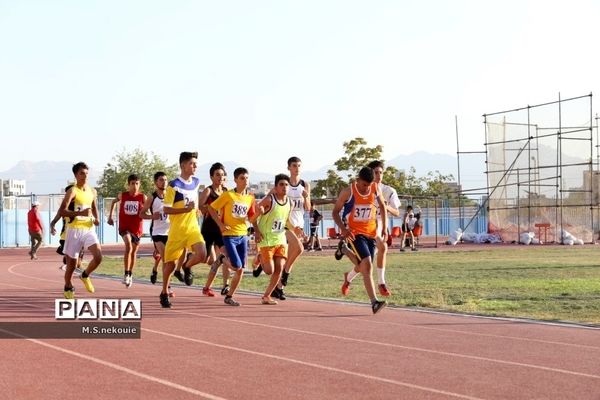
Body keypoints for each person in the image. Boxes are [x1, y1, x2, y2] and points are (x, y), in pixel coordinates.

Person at [332, 166, 387, 314]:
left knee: (362, 266)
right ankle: (374, 302)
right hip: (354, 233)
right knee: (367, 265)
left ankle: (343, 250)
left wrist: (384, 228)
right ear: (357, 181)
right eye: (363, 185)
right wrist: (343, 230)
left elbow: (382, 206)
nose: (365, 188)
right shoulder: (348, 192)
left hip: (371, 233)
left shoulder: (375, 188)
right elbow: (335, 212)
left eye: (368, 185)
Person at [159, 151, 207, 308]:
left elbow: (194, 202)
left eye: (196, 164)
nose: (195, 166)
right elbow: (166, 210)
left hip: (192, 228)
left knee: (202, 254)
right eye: (192, 164)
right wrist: (186, 210)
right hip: (177, 231)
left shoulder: (196, 182)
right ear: (183, 165)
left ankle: (186, 266)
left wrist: (196, 210)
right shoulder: (174, 186)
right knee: (170, 265)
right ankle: (164, 292)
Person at [208, 167, 255, 306]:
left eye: (247, 178)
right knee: (236, 266)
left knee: (241, 269)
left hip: (243, 235)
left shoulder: (250, 197)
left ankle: (229, 296)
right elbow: (211, 208)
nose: (245, 181)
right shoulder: (228, 195)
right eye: (242, 178)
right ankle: (222, 258)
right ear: (235, 180)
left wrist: (258, 223)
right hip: (229, 235)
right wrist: (221, 225)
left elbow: (252, 218)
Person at [251, 174, 299, 305]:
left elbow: (286, 222)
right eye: (281, 185)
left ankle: (266, 296)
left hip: (280, 239)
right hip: (266, 239)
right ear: (276, 187)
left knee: (279, 268)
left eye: (286, 185)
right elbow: (253, 218)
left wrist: (296, 229)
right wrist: (256, 231)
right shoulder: (269, 200)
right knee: (269, 270)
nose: (284, 187)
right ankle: (259, 258)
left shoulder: (290, 202)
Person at [58, 162, 103, 299]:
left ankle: (85, 275)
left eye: (86, 173)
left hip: (88, 228)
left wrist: (97, 218)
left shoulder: (91, 191)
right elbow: (62, 211)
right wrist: (80, 214)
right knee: (71, 265)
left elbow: (94, 207)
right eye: (82, 173)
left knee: (98, 257)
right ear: (76, 175)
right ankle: (68, 285)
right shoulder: (72, 191)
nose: (85, 176)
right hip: (74, 230)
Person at [272, 156, 309, 300]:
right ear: (289, 167)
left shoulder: (304, 185)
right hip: (286, 224)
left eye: (299, 165)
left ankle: (279, 287)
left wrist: (306, 197)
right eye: (294, 165)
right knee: (299, 248)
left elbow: (308, 208)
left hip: (298, 224)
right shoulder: (284, 184)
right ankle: (284, 276)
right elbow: (274, 198)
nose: (297, 168)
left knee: (290, 256)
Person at [367, 160, 401, 296]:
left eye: (380, 172)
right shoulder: (364, 189)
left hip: (379, 225)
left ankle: (380, 282)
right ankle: (380, 283)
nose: (378, 175)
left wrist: (385, 206)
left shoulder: (389, 191)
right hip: (366, 226)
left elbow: (397, 212)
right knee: (366, 262)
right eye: (375, 172)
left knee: (367, 261)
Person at [107, 174, 147, 288]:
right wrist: (110, 216)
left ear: (139, 185)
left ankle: (130, 274)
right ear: (128, 184)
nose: (135, 186)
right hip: (125, 227)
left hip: (137, 228)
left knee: (133, 252)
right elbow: (113, 202)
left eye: (137, 184)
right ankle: (125, 273)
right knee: (128, 246)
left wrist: (149, 214)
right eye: (132, 184)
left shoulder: (142, 197)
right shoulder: (123, 195)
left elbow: (148, 209)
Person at [199, 162, 232, 297]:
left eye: (222, 175)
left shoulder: (226, 192)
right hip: (208, 229)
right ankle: (191, 257)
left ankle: (225, 285)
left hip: (221, 230)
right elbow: (200, 207)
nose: (220, 177)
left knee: (225, 257)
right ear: (212, 177)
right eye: (217, 175)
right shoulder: (208, 191)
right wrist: (211, 208)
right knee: (209, 260)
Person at [140, 171, 174, 297]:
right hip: (157, 232)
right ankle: (167, 287)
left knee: (169, 259)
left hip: (170, 232)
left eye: (165, 179)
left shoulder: (171, 196)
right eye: (161, 180)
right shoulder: (152, 197)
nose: (164, 182)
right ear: (155, 183)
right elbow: (141, 214)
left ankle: (155, 269)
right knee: (167, 258)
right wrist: (151, 216)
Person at [50, 184, 84, 271]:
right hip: (66, 237)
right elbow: (54, 220)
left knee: (77, 264)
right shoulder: (63, 207)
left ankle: (71, 267)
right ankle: (69, 280)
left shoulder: (81, 205)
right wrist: (52, 226)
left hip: (79, 235)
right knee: (73, 263)